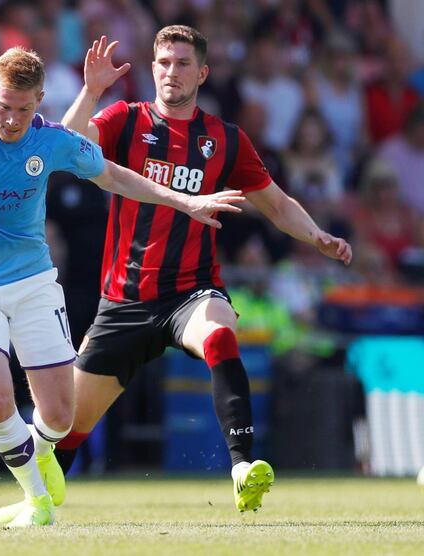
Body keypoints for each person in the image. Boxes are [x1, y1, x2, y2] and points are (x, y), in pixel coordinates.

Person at [0, 46, 244, 527]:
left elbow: (114, 176)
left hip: (33, 283)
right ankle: (37, 500)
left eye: (24, 109)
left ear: (40, 102)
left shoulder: (51, 140)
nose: (12, 120)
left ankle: (39, 464)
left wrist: (184, 202)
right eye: (4, 106)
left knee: (58, 417)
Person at [55, 27, 352, 512]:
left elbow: (277, 204)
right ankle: (38, 503)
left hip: (191, 292)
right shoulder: (125, 121)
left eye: (183, 63)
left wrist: (317, 235)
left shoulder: (224, 140)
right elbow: (67, 150)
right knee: (66, 429)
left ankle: (241, 467)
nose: (172, 72)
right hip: (125, 300)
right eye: (164, 63)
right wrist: (91, 91)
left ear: (203, 72)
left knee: (219, 332)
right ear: (153, 68)